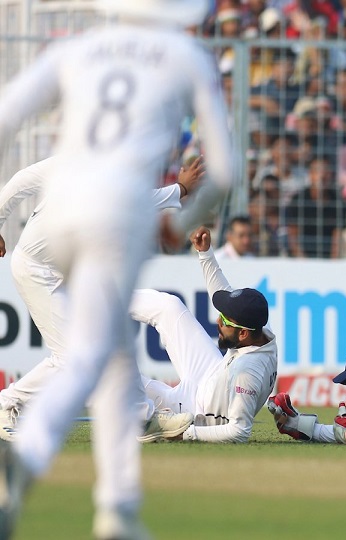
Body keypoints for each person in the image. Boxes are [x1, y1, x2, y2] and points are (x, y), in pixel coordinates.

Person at [0, 1, 233, 538]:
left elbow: (9, 116)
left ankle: (115, 501)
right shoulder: (184, 55)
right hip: (84, 240)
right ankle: (100, 493)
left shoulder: (76, 53)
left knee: (102, 351)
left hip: (61, 233)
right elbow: (222, 170)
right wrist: (184, 216)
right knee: (84, 356)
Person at [0, 155, 205, 441]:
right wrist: (180, 190)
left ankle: (140, 418)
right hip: (37, 270)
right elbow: (20, 182)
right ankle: (7, 403)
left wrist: (179, 189)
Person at [131, 225, 278, 443]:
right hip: (211, 375)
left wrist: (185, 432)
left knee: (118, 371)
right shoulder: (259, 329)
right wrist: (205, 252)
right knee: (169, 306)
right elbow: (222, 291)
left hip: (196, 411)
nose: (218, 320)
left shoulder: (247, 374)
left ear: (244, 334)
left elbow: (239, 432)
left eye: (225, 321)